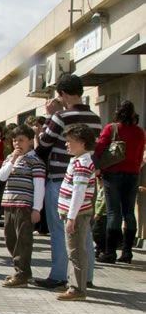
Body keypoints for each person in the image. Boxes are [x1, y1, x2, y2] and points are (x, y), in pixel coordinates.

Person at [34, 74, 101, 289]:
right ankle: (86, 276)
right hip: (87, 178)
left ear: (62, 94)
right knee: (84, 231)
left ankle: (59, 275)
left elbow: (43, 145)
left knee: (60, 229)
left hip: (60, 178)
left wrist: (48, 118)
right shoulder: (95, 118)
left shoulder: (60, 116)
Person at [94, 101, 145, 264]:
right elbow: (140, 153)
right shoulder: (140, 132)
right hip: (133, 174)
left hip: (113, 174)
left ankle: (109, 253)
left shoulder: (111, 128)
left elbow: (99, 148)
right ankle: (127, 252)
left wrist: (97, 168)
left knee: (113, 212)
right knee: (129, 212)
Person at [0, 124, 45, 287]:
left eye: (21, 140)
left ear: (30, 141)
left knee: (23, 240)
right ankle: (22, 271)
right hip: (9, 203)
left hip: (24, 206)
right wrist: (12, 160)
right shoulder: (11, 157)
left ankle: (22, 273)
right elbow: (2, 177)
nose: (17, 144)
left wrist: (37, 208)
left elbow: (39, 186)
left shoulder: (35, 161)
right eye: (15, 141)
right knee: (10, 238)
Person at [57, 124, 98, 301]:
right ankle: (73, 285)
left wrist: (71, 217)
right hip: (74, 214)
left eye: (70, 141)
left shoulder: (82, 163)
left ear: (81, 143)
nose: (66, 144)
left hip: (77, 215)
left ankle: (77, 289)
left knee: (76, 252)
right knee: (73, 250)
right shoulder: (78, 160)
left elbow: (78, 192)